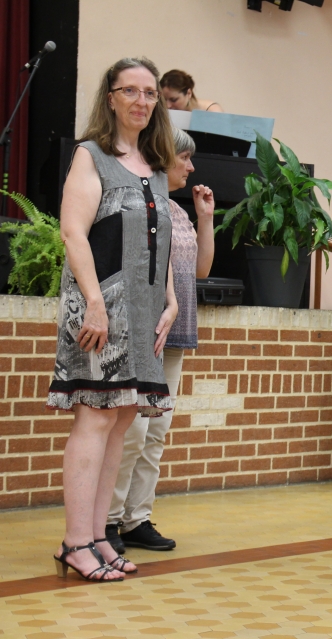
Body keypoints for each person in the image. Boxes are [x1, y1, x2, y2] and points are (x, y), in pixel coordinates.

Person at [48, 57, 177, 582]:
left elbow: (161, 243)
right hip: (100, 307)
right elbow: (73, 233)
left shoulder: (157, 167)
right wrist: (95, 303)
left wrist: (170, 300)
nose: (141, 101)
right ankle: (75, 542)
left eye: (150, 92)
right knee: (95, 417)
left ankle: (100, 536)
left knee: (122, 418)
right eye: (131, 91)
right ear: (111, 98)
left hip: (144, 311)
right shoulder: (91, 155)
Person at [105, 128, 216, 554]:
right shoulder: (139, 203)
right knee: (132, 431)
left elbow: (201, 271)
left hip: (175, 335)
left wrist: (204, 218)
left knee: (156, 433)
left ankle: (137, 519)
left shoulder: (178, 212)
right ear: (162, 157)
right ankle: (108, 520)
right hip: (144, 333)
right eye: (184, 158)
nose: (190, 167)